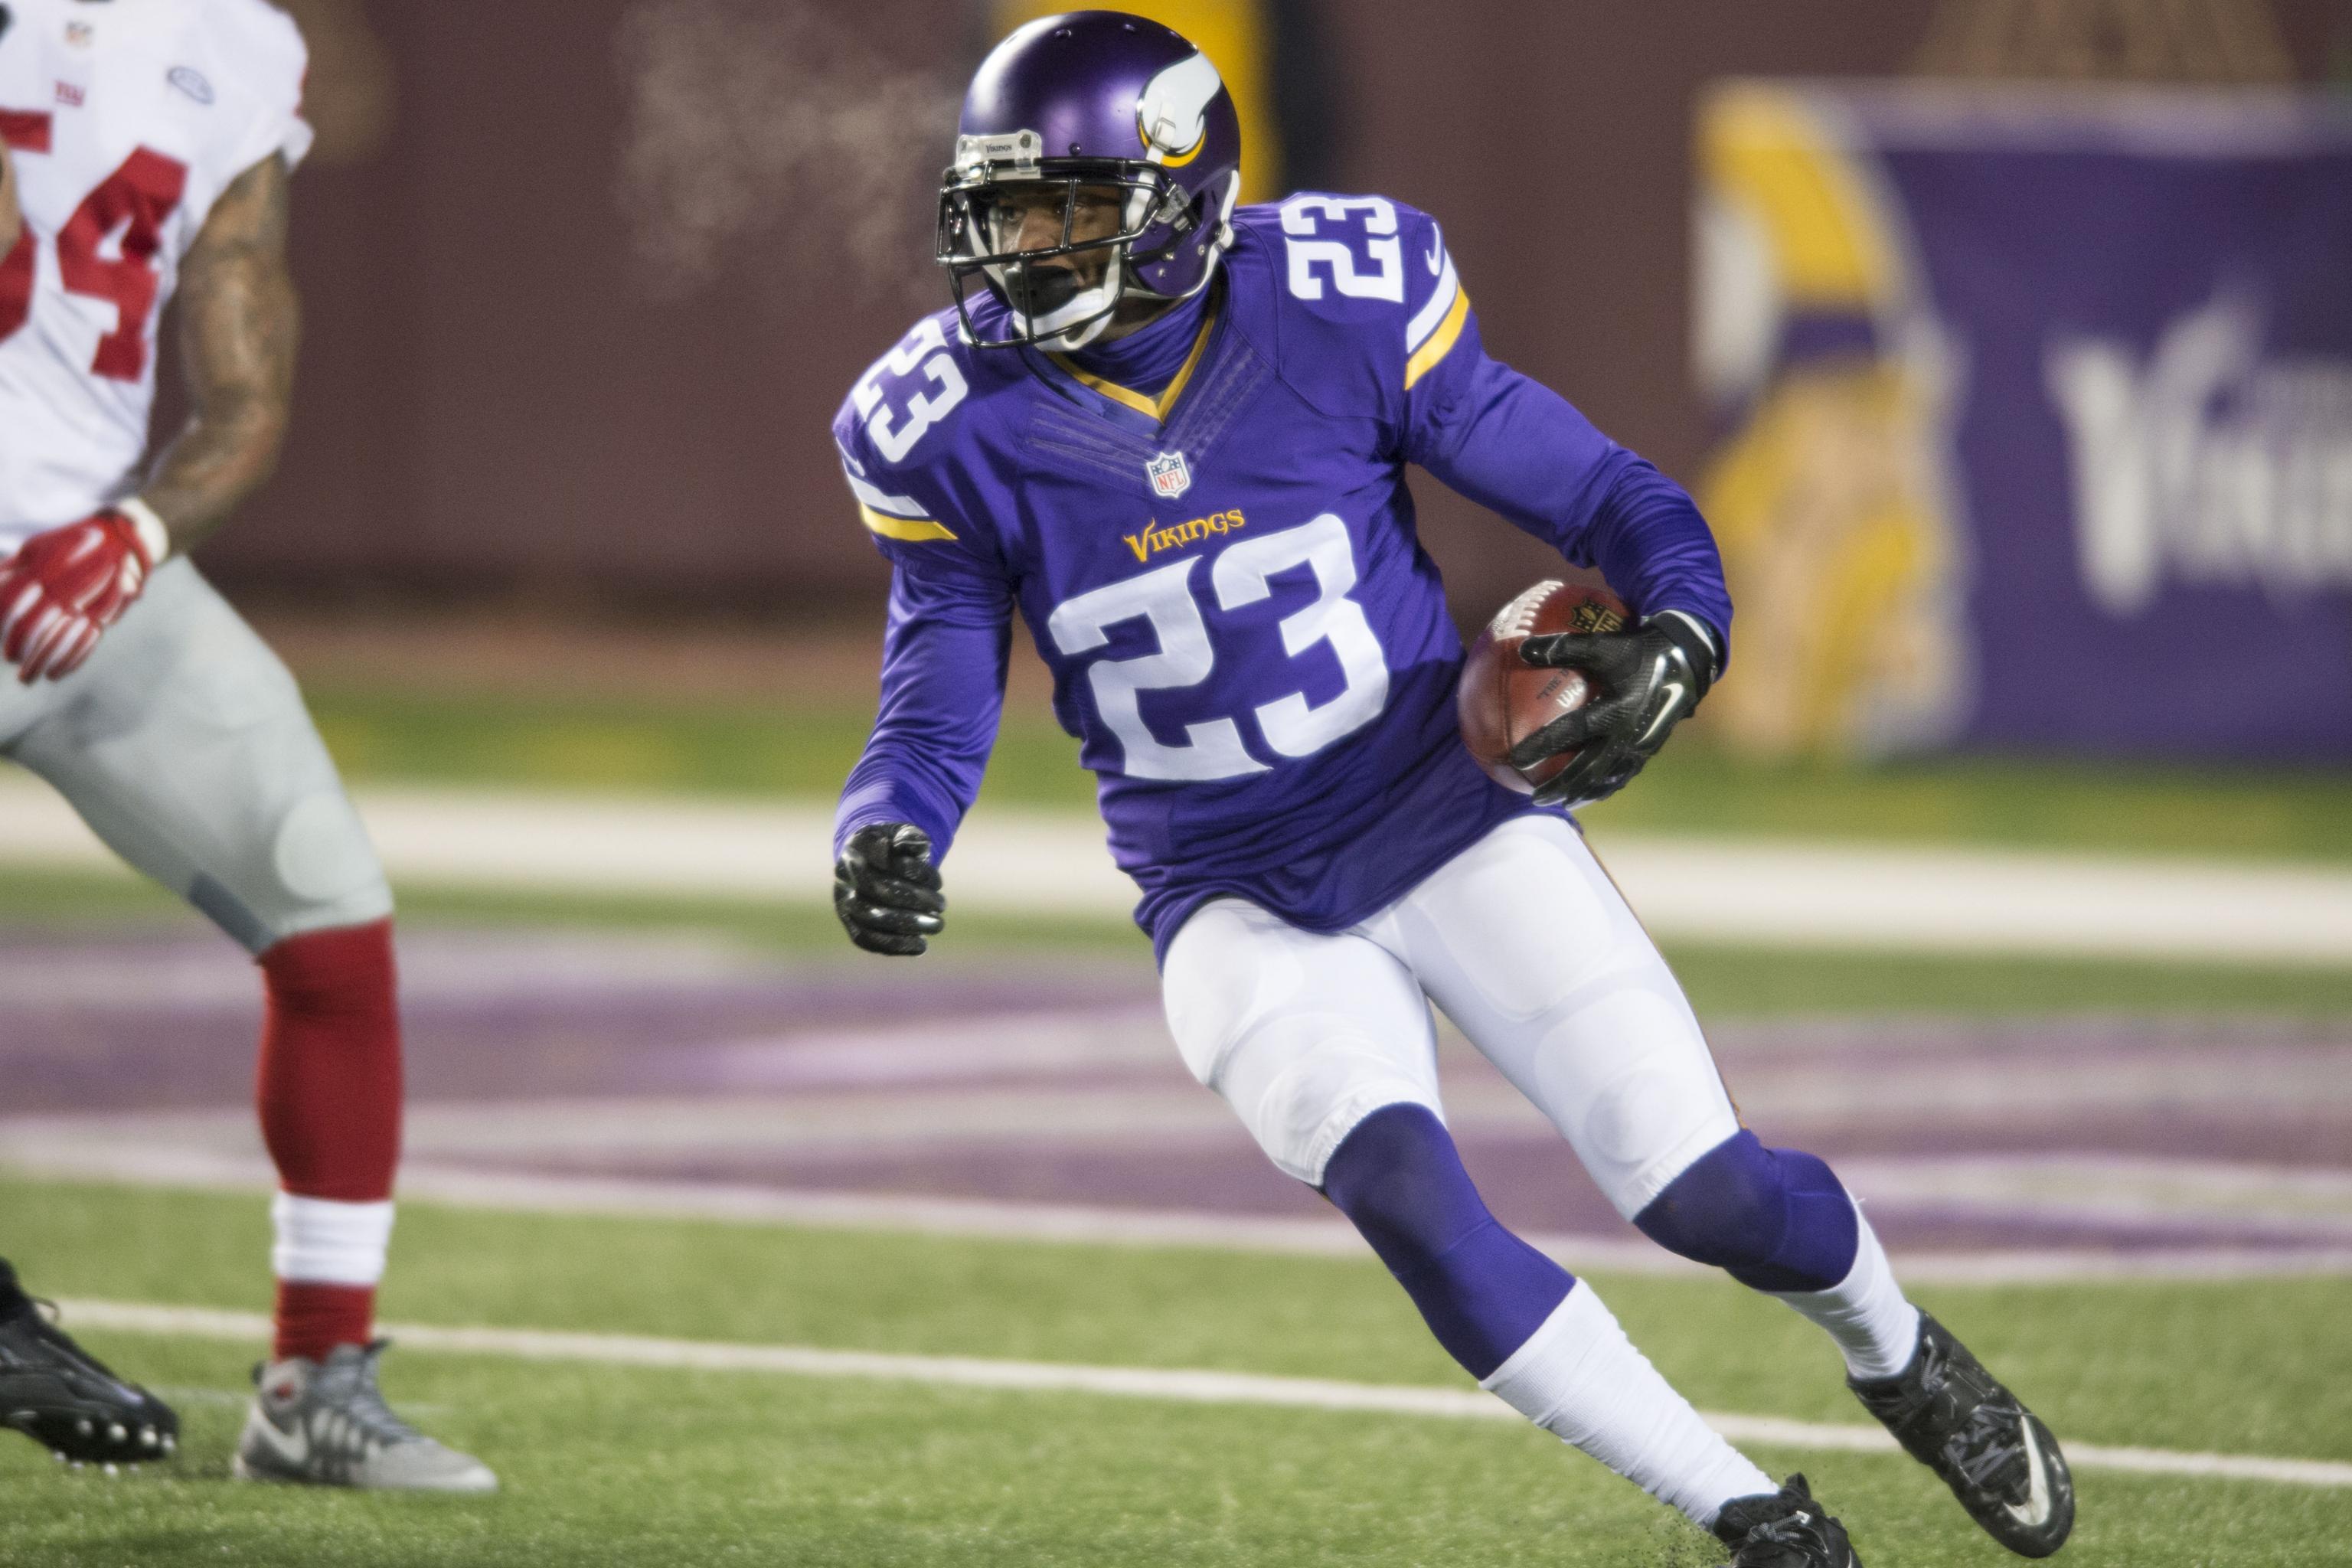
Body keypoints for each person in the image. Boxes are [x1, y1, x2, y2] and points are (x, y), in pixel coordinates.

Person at [830, 11, 2073, 1564]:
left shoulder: (1333, 307)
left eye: (1062, 208)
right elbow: (935, 695)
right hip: (1225, 890)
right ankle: (1752, 1516)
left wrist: (1683, 630)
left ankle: (1898, 1350)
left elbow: (1614, 495)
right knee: (1411, 1198)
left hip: (1444, 813)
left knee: (1707, 1196)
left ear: (1179, 199)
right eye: (1001, 210)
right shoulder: (949, 426)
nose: (1019, 252)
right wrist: (886, 825)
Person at [0, 0, 488, 1491]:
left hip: (77, 559)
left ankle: (316, 1382)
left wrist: (136, 532)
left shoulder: (238, 47)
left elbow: (242, 377)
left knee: (324, 896)